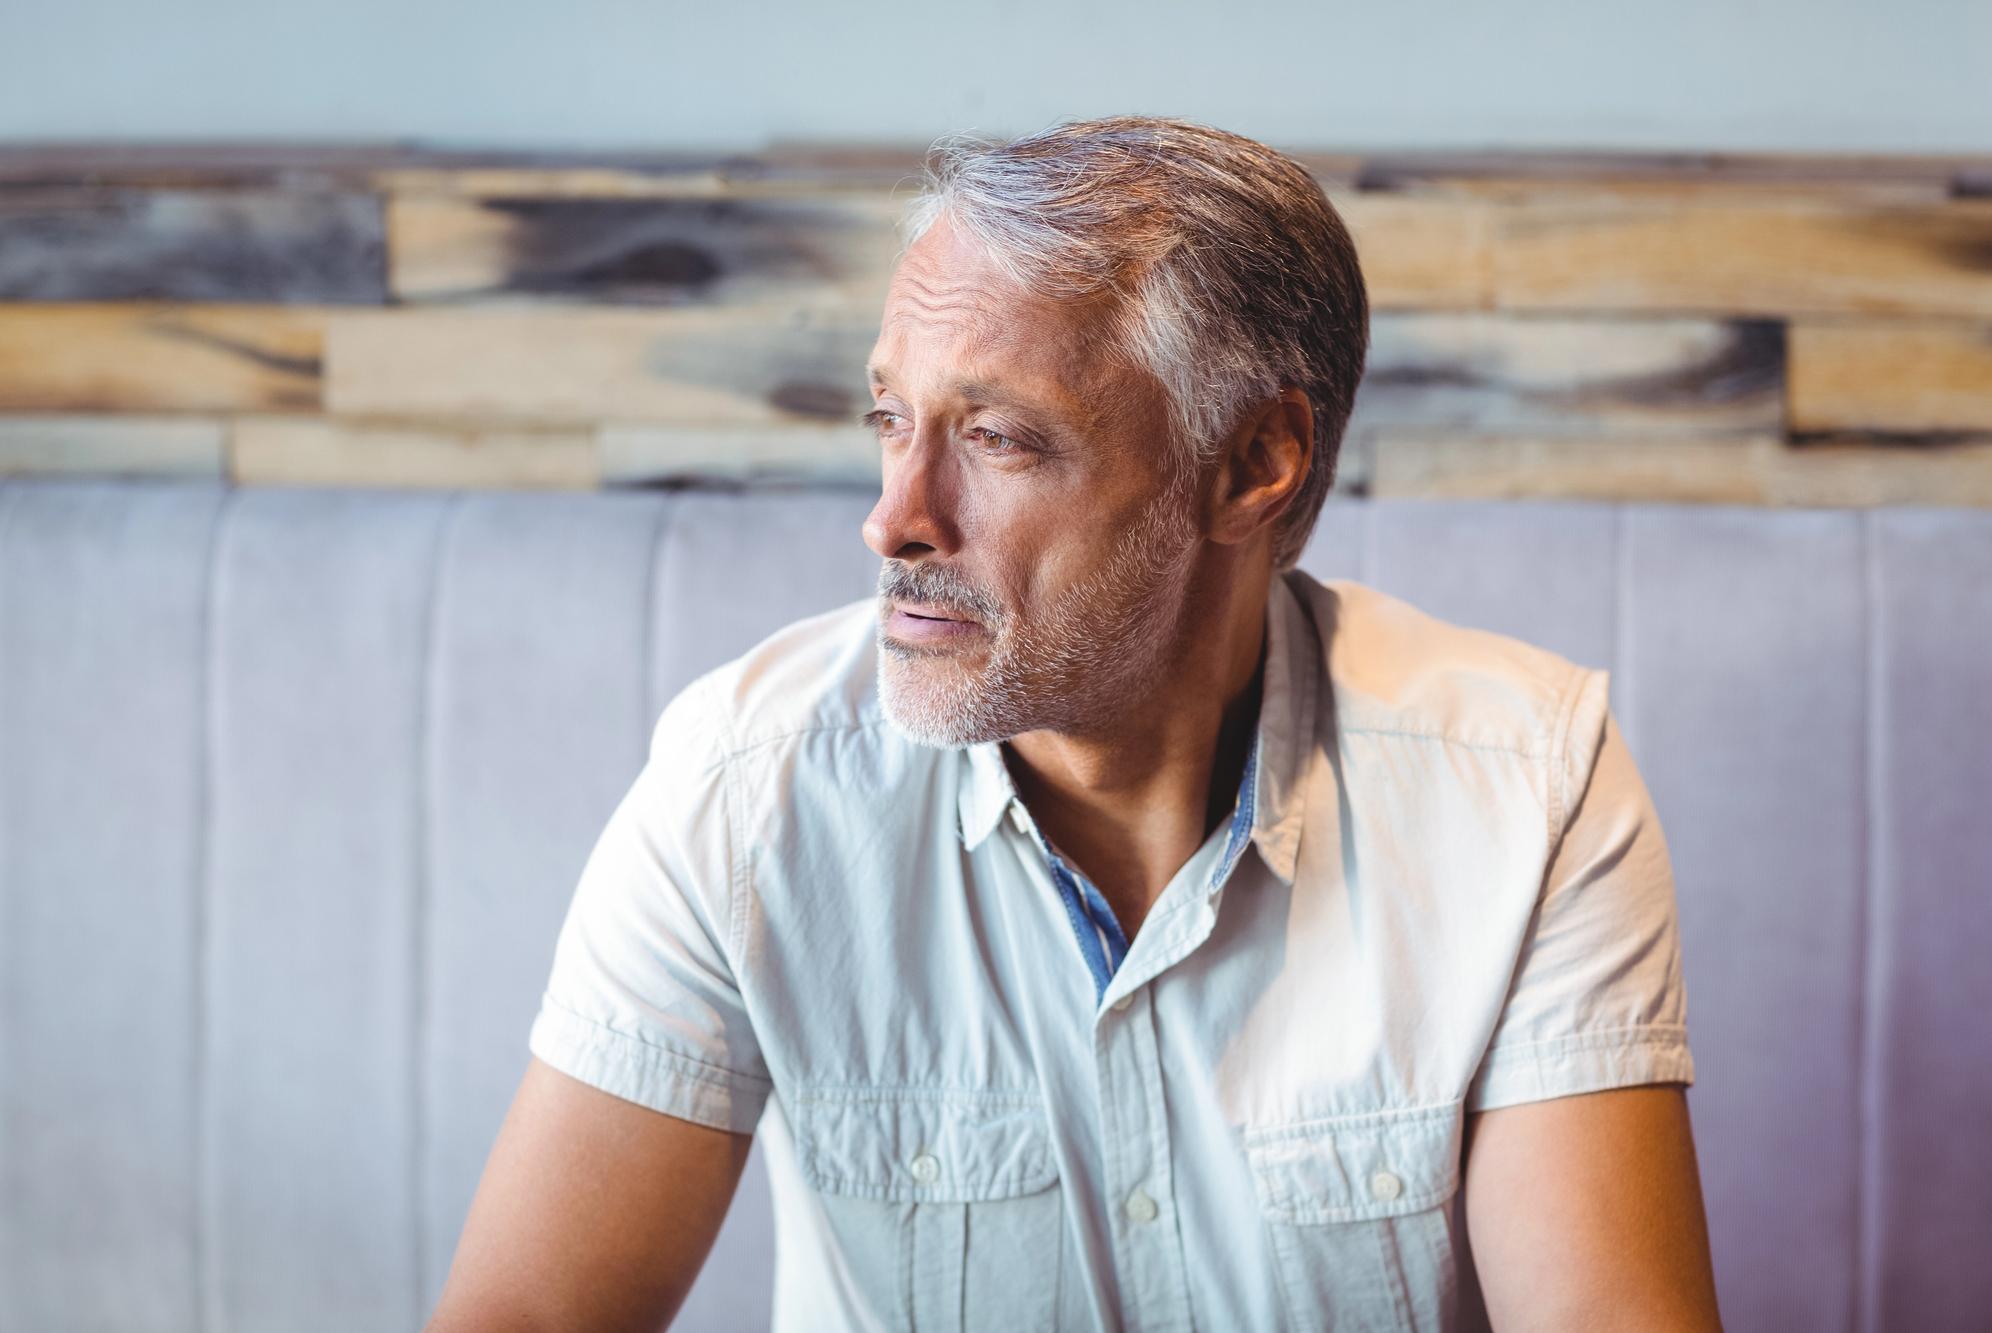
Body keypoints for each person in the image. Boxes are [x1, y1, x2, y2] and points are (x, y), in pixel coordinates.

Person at [426, 117, 1722, 1332]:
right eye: (892, 420)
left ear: (1252, 464)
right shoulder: (746, 783)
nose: (895, 517)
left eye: (995, 437)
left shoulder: (1526, 791)